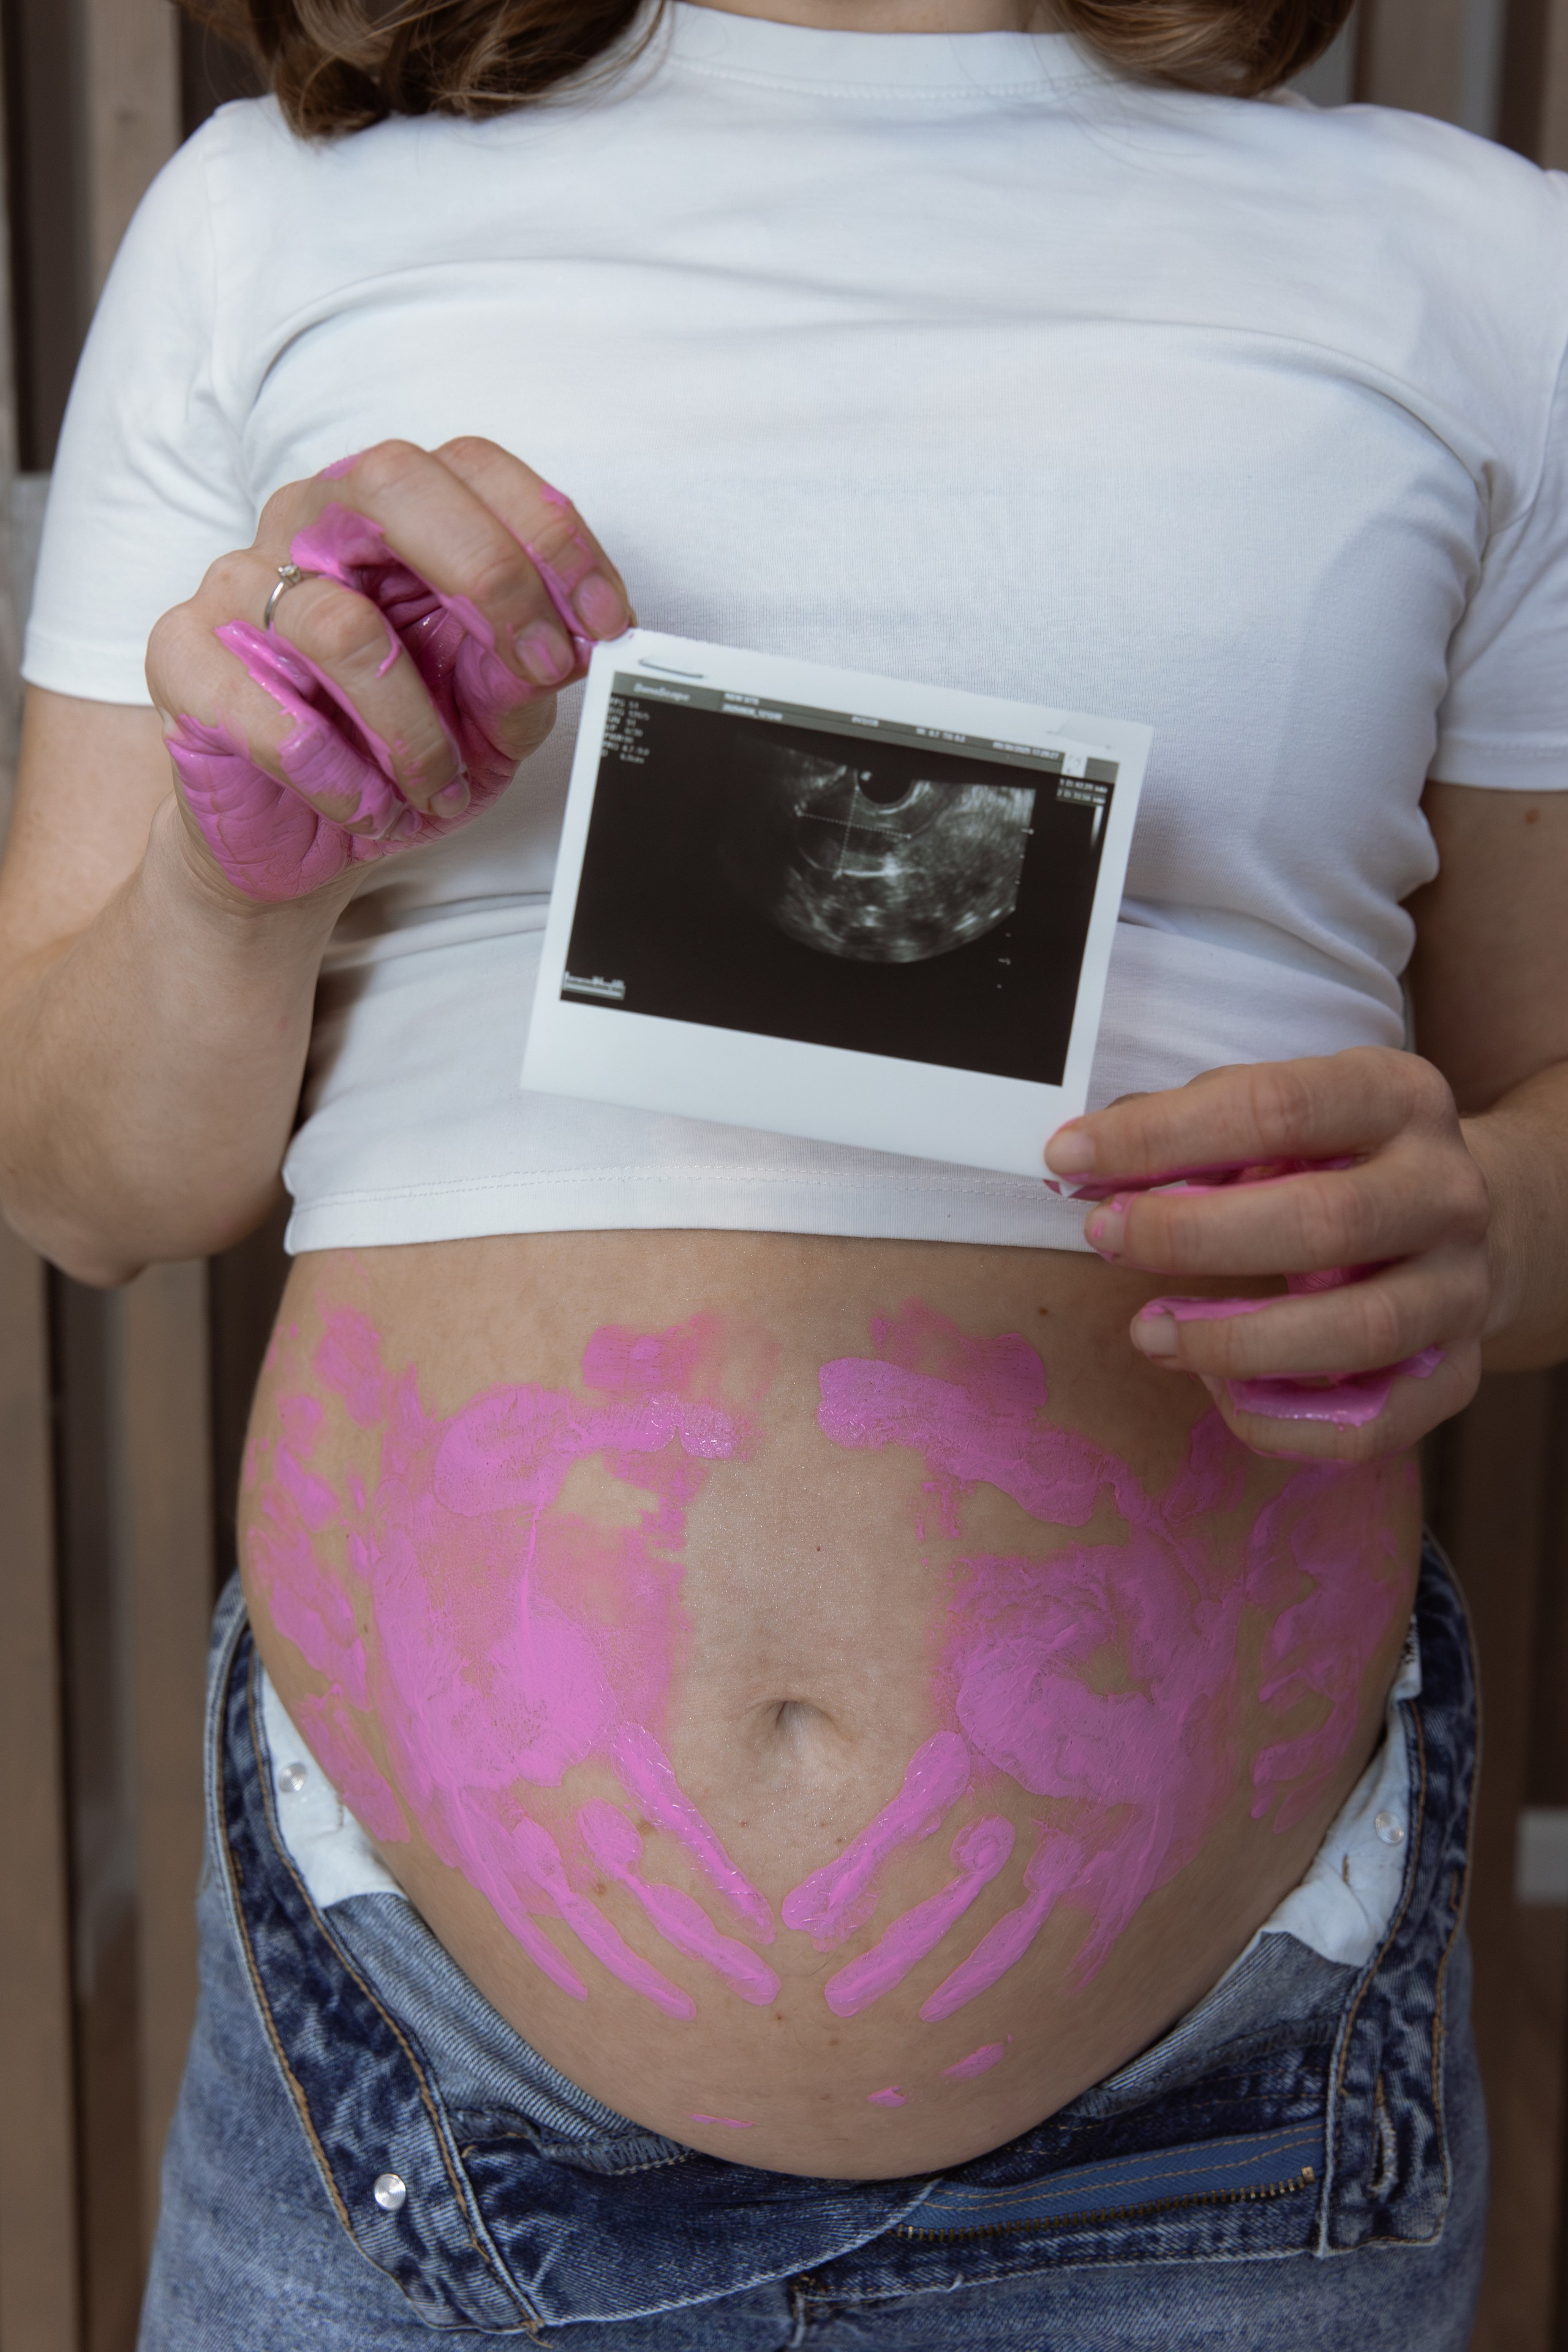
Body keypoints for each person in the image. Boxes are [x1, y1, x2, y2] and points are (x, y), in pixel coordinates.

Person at [2, 0, 1566, 2337]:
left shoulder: (1484, 270)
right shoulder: (265, 227)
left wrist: (1493, 1229)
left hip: (1239, 2143)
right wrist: (239, 896)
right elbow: (79, 1185)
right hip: (401, 2117)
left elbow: (1546, 1112)